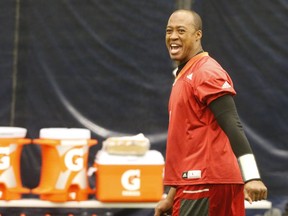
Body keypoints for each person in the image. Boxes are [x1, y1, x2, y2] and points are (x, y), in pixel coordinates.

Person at [154, 9, 267, 216]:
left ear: (198, 35)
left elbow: (232, 122)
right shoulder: (185, 74)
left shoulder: (206, 71)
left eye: (181, 30)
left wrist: (251, 176)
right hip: (196, 181)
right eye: (169, 31)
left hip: (206, 181)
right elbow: (186, 144)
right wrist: (171, 195)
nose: (173, 37)